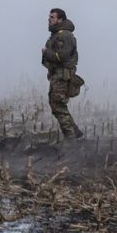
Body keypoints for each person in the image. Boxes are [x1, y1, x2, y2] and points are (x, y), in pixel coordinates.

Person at [42, 8, 83, 139]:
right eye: (49, 17)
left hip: (62, 75)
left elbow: (61, 56)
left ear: (60, 20)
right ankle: (75, 133)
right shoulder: (57, 34)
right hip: (57, 74)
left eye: (52, 17)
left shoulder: (64, 35)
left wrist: (46, 52)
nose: (49, 19)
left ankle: (71, 138)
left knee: (58, 105)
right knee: (57, 104)